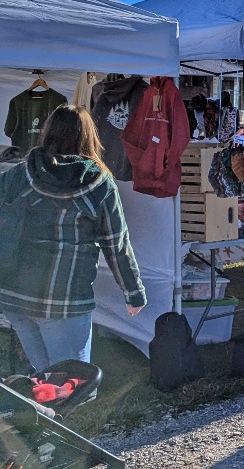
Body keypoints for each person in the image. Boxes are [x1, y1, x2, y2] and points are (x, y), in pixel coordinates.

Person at [0, 105, 146, 372]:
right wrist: (133, 293)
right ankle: (59, 413)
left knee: (44, 380)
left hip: (15, 295)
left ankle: (49, 413)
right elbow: (116, 244)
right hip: (64, 298)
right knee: (71, 385)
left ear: (48, 132)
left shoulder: (18, 175)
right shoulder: (99, 183)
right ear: (89, 136)